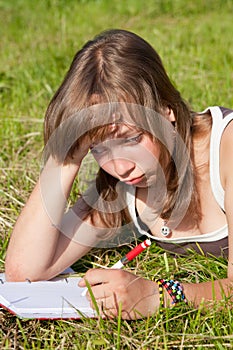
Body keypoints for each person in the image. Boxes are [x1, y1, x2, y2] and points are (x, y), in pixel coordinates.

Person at [5, 29, 233, 320]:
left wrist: (157, 295)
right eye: (98, 148)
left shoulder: (225, 151)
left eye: (131, 140)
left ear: (167, 110)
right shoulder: (122, 186)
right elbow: (24, 270)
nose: (120, 166)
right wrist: (68, 153)